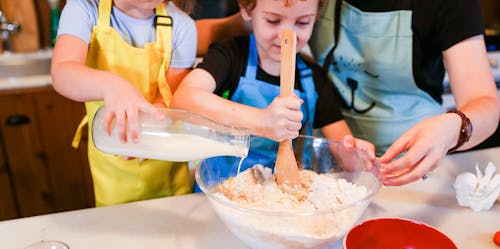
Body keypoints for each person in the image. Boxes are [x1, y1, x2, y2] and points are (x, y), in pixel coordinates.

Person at [195, 0, 500, 186]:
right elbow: (252, 20)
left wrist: (453, 127)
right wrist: (161, 34)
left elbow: (485, 104)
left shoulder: (449, 4)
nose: (290, 30)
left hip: (412, 166)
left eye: (304, 22)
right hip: (331, 169)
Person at [171, 0, 374, 173]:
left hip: (286, 200)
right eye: (273, 20)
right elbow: (184, 98)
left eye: (303, 22)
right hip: (220, 190)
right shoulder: (230, 56)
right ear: (248, 9)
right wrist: (261, 121)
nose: (287, 35)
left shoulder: (314, 79)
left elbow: (342, 148)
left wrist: (354, 155)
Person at [51, 0, 197, 206]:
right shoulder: (84, 9)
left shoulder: (182, 26)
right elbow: (62, 73)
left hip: (167, 169)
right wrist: (112, 86)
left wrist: (145, 132)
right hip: (111, 169)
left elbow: (168, 99)